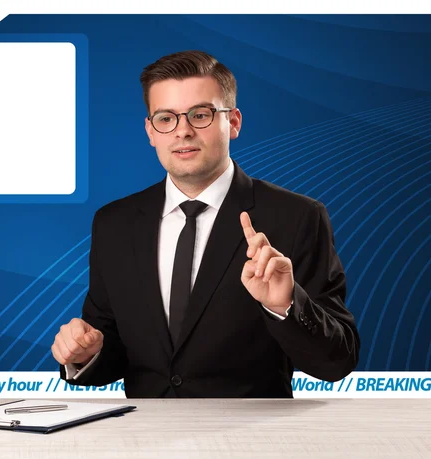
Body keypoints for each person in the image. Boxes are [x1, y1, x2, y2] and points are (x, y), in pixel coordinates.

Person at [51, 50, 360, 398]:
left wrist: (285, 305)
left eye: (200, 115)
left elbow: (337, 361)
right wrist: (85, 353)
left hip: (249, 443)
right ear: (150, 131)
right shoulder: (114, 224)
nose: (182, 131)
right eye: (166, 118)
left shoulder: (297, 217)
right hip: (143, 441)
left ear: (234, 122)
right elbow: (113, 348)